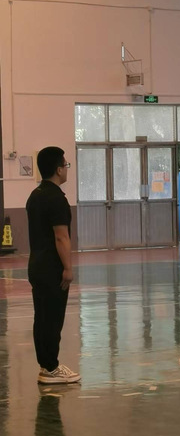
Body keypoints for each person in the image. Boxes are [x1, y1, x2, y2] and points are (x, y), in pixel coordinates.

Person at [26, 147, 81, 384]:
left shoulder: (35, 195)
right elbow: (61, 237)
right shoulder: (57, 199)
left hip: (36, 265)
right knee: (52, 319)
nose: (67, 169)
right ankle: (51, 368)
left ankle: (45, 365)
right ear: (58, 170)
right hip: (51, 268)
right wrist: (67, 268)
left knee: (42, 318)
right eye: (66, 165)